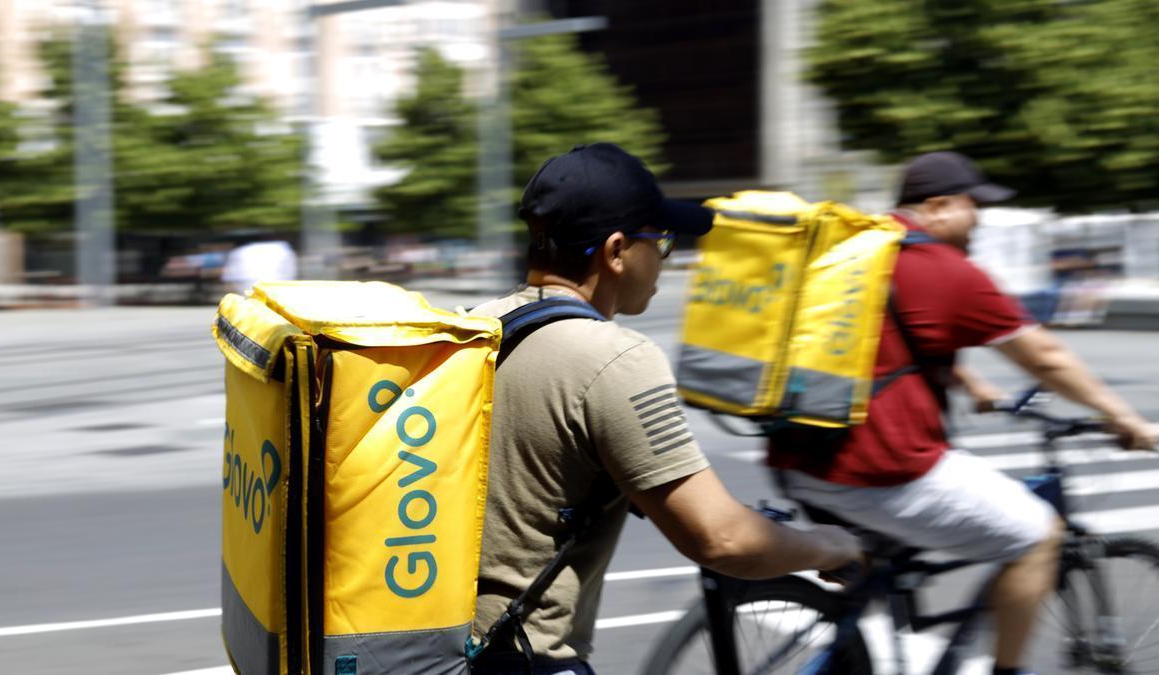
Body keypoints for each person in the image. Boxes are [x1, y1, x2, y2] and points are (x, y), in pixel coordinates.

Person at [468, 143, 863, 675]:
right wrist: (832, 547)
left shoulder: (471, 327)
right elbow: (722, 539)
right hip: (526, 660)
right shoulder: (615, 359)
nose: (666, 259)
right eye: (663, 242)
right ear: (616, 252)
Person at [767, 151, 1156, 675]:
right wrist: (1124, 418)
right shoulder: (944, 269)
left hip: (797, 458)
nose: (981, 222)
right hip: (878, 470)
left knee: (875, 589)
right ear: (939, 207)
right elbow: (1046, 357)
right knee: (1039, 535)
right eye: (976, 208)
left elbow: (873, 339)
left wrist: (967, 379)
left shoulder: (858, 249)